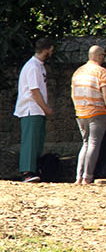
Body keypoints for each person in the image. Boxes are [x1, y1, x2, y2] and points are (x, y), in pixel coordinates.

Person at [69, 45, 106, 185]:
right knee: (94, 143)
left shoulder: (78, 72)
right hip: (97, 111)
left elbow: (72, 93)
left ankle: (78, 177)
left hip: (81, 112)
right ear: (99, 56)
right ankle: (88, 176)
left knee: (86, 143)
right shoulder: (102, 72)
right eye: (103, 56)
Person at [15, 39, 55, 181]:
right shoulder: (33, 66)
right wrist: (46, 108)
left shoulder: (39, 66)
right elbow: (34, 90)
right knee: (30, 141)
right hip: (31, 108)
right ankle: (27, 171)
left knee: (37, 141)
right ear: (47, 49)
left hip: (38, 110)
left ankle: (35, 168)